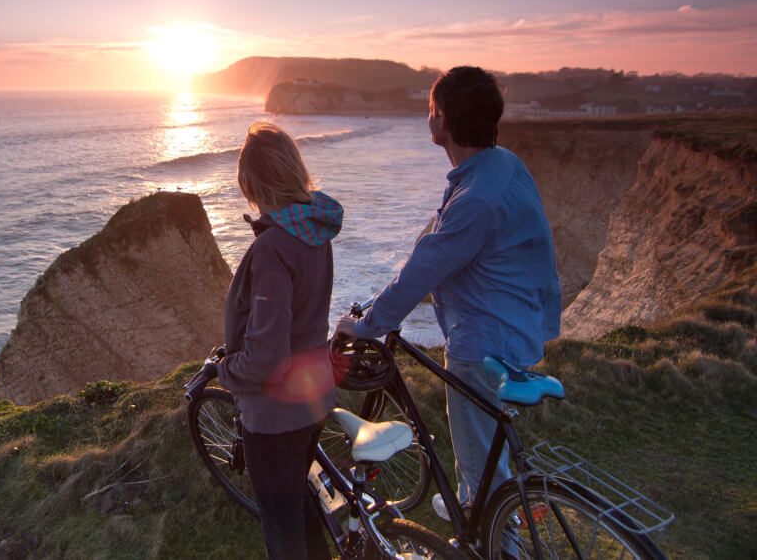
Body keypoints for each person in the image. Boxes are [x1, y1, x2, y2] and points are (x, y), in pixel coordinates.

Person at [335, 65, 561, 520]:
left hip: (483, 344)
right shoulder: (503, 165)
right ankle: (481, 498)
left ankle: (491, 531)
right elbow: (447, 248)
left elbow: (422, 271)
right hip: (519, 322)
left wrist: (365, 324)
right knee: (484, 457)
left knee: (484, 491)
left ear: (442, 121)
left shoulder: (474, 200)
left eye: (430, 109)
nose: (427, 117)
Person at [216, 121, 342, 560]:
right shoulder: (315, 231)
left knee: (282, 529)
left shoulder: (273, 247)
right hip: (312, 396)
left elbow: (266, 356)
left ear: (252, 182)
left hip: (275, 414)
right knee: (301, 507)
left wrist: (227, 371)